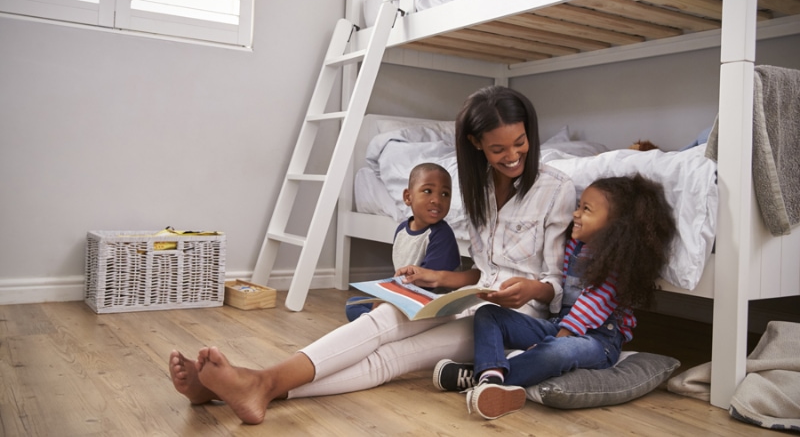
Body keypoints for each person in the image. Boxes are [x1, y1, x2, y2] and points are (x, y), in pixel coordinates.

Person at [168, 85, 576, 424]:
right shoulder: (477, 186)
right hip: (471, 297)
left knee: (394, 356)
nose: (511, 156)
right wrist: (439, 280)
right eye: (497, 149)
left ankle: (258, 385)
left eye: (520, 143)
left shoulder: (557, 188)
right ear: (475, 144)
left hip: (511, 319)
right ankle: (249, 385)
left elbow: (554, 287)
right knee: (383, 318)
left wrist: (531, 290)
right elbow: (483, 271)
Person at [434, 174, 677, 420]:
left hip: (599, 341)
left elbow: (591, 303)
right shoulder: (575, 246)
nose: (576, 214)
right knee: (488, 314)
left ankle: (483, 377)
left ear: (613, 225)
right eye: (578, 206)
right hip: (560, 326)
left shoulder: (618, 263)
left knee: (555, 353)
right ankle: (491, 377)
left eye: (586, 209)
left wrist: (557, 340)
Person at [345, 162, 462, 321]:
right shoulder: (402, 229)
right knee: (353, 304)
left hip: (429, 306)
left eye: (445, 194)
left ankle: (377, 325)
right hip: (406, 297)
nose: (437, 200)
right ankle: (377, 324)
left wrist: (388, 300)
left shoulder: (441, 235)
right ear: (408, 197)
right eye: (428, 191)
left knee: (374, 312)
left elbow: (424, 284)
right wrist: (384, 299)